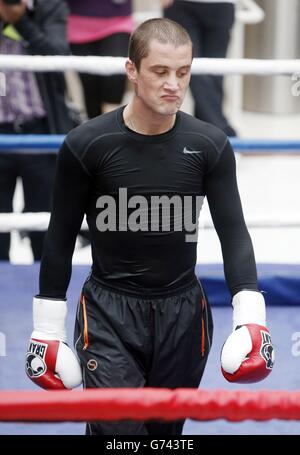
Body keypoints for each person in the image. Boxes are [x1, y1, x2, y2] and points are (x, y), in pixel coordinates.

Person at [25, 18, 274, 435]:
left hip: (183, 313)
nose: (173, 84)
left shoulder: (209, 145)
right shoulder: (87, 145)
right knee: (117, 434)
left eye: (183, 72)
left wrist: (251, 317)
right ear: (132, 71)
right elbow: (60, 236)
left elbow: (234, 232)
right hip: (109, 312)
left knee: (164, 436)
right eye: (160, 71)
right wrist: (47, 328)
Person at [0, 0, 75, 261]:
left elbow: (58, 56)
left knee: (43, 227)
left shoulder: (50, 6)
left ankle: (43, 297)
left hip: (40, 130)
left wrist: (21, 20)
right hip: (1, 132)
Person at [164, 0, 237, 136]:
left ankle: (204, 134)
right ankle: (221, 130)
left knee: (215, 75)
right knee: (190, 67)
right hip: (182, 6)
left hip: (222, 5)